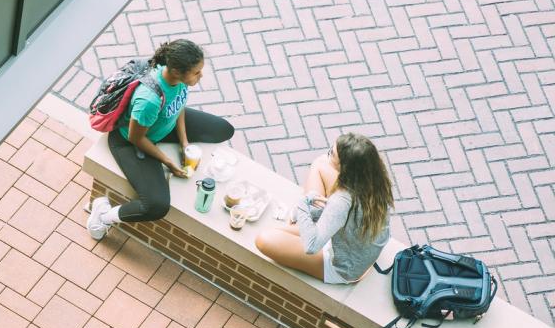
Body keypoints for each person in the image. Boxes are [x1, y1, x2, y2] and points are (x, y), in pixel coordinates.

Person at [87, 39, 235, 241]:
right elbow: (136, 137)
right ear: (175, 71)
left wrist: (184, 143)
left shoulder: (179, 80)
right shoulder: (149, 99)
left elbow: (178, 104)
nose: (201, 76)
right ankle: (103, 216)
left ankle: (175, 141)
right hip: (131, 141)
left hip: (162, 123)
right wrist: (168, 162)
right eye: (196, 72)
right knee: (157, 206)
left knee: (223, 130)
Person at [255, 133, 394, 284]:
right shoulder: (376, 179)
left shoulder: (341, 200)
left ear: (345, 167)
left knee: (264, 239)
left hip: (343, 268)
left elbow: (312, 246)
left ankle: (304, 224)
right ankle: (306, 225)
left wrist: (303, 205)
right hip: (360, 248)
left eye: (332, 153)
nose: (329, 153)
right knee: (320, 163)